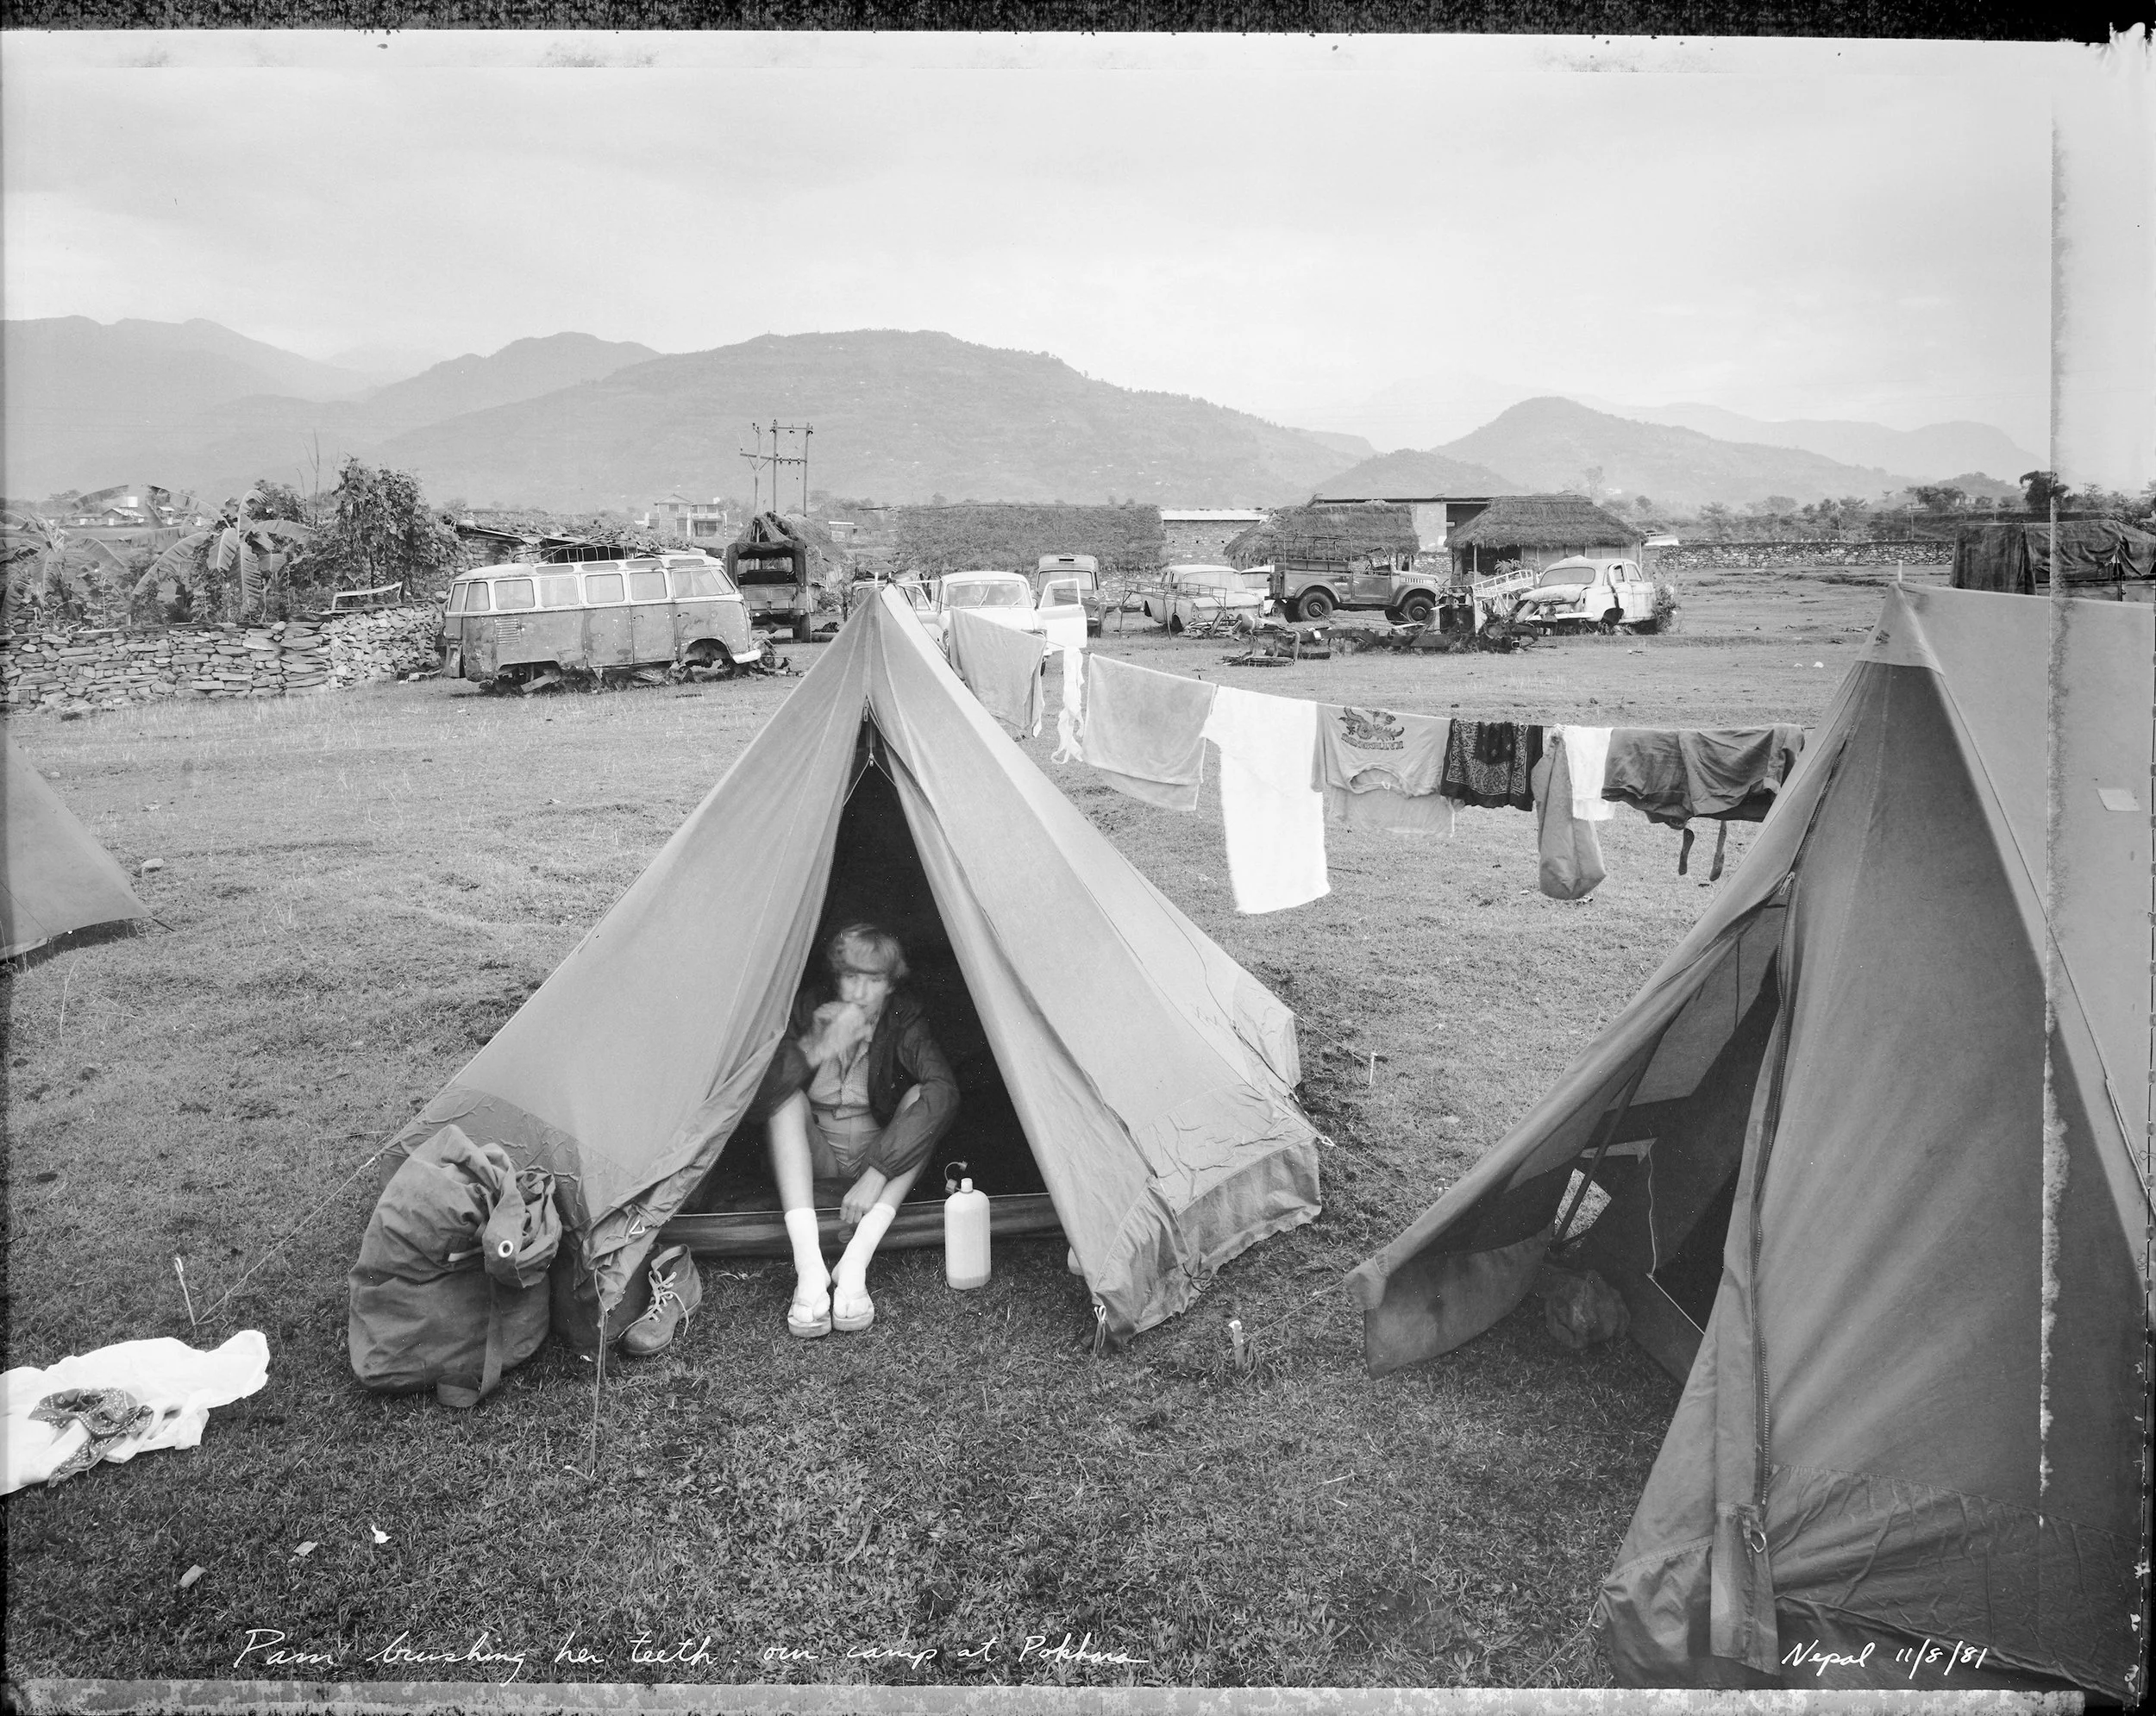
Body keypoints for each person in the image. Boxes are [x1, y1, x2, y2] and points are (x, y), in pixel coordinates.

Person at [755, 924, 959, 1337]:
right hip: (816, 1151)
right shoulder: (809, 1005)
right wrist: (817, 1047)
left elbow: (944, 1091)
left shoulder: (904, 1016)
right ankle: (809, 1268)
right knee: (787, 1101)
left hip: (877, 1151)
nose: (861, 993)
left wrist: (878, 1171)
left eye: (874, 980)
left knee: (921, 1096)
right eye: (851, 977)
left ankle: (856, 1262)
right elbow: (757, 1100)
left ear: (890, 985)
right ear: (836, 977)